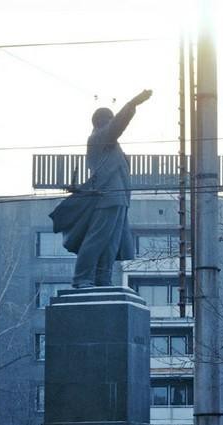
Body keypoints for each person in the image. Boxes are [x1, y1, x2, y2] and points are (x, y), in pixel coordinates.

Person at [71, 89, 152, 288]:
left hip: (120, 199)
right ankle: (82, 278)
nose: (111, 121)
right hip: (106, 198)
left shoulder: (112, 145)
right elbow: (118, 126)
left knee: (111, 244)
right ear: (100, 122)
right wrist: (132, 103)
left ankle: (102, 279)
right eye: (109, 118)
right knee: (97, 238)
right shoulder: (98, 138)